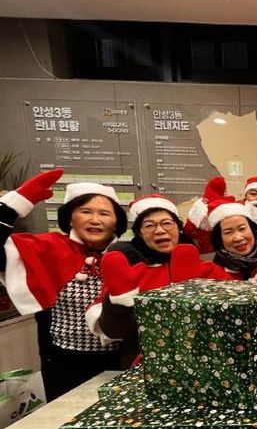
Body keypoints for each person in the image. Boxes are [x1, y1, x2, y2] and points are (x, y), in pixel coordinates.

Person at [0, 170, 128, 400]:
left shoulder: (129, 255)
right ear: (70, 218)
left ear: (116, 221)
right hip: (64, 365)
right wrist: (11, 207)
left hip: (120, 362)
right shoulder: (47, 248)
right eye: (86, 211)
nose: (95, 219)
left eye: (104, 213)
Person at [86, 194, 229, 367]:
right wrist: (120, 302)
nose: (160, 230)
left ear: (178, 227)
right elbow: (114, 331)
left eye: (167, 223)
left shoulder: (204, 268)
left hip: (204, 361)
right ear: (140, 233)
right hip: (145, 364)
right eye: (149, 225)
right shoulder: (128, 273)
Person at [207, 196, 257, 279]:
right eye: (228, 232)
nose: (238, 238)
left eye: (242, 229)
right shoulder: (215, 275)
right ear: (219, 238)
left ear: (252, 229)